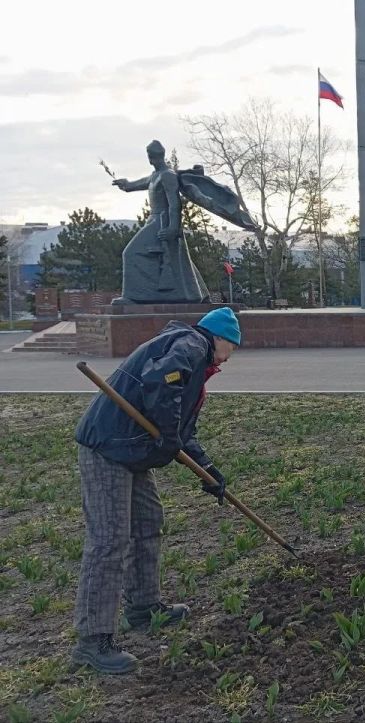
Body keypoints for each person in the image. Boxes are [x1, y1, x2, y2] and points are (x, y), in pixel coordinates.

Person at [72, 307, 241, 674]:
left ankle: (143, 607)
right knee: (110, 539)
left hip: (131, 449)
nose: (230, 358)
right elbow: (162, 381)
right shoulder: (191, 345)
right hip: (108, 447)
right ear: (221, 339)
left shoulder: (192, 357)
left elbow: (181, 432)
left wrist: (208, 470)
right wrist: (166, 434)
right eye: (233, 348)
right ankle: (92, 640)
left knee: (148, 522)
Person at [110, 140, 210, 304]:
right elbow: (136, 184)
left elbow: (175, 204)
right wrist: (125, 184)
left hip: (164, 221)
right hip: (154, 220)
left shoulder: (168, 176)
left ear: (152, 157)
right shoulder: (155, 176)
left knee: (130, 253)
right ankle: (198, 294)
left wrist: (173, 228)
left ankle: (132, 297)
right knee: (179, 257)